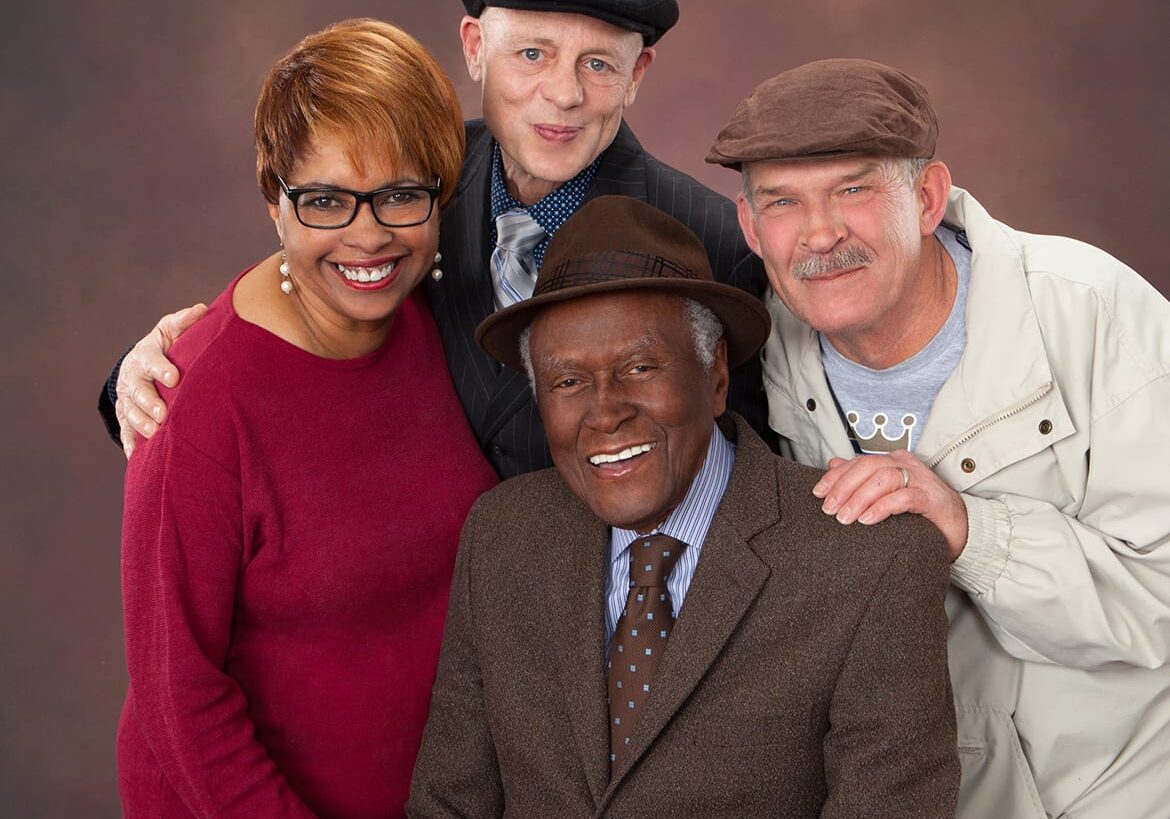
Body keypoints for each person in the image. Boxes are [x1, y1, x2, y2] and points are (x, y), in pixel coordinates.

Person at [708, 58, 1170, 818]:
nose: (820, 233)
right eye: (784, 202)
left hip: (1119, 782)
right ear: (752, 227)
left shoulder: (1096, 315)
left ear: (926, 198)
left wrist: (967, 527)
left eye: (853, 189)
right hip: (927, 789)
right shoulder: (767, 343)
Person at [406, 195, 960, 818]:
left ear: (716, 374)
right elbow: (449, 803)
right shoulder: (503, 536)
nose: (605, 411)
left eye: (641, 367)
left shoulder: (872, 561)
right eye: (567, 382)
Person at [99, 0, 771, 477]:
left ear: (639, 72)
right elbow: (306, 282)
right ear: (476, 49)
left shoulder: (711, 240)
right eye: (532, 53)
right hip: (417, 619)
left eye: (597, 63)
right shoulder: (414, 180)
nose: (562, 94)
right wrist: (152, 371)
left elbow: (748, 478)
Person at [117, 20, 497, 818]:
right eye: (326, 200)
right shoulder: (200, 406)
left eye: (399, 195)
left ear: (439, 196)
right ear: (275, 205)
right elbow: (176, 694)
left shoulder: (442, 316)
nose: (368, 235)